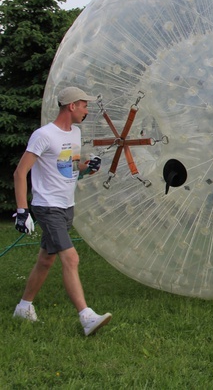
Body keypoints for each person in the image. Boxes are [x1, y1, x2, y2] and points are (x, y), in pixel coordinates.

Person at [12, 86, 112, 336]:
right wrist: (22, 211)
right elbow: (20, 172)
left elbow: (69, 167)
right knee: (72, 258)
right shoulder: (43, 135)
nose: (87, 111)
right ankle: (86, 316)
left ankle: (23, 307)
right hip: (48, 207)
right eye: (84, 105)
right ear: (72, 106)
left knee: (46, 259)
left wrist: (87, 167)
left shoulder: (75, 133)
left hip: (67, 206)